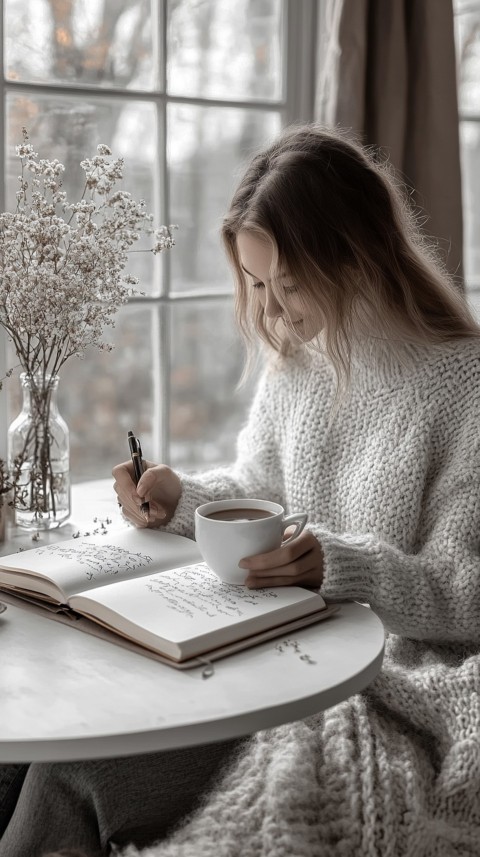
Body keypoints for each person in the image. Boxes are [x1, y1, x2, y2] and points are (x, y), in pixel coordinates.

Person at [1, 122, 480, 857]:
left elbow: (465, 591)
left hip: (370, 685)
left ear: (357, 254)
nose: (273, 309)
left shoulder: (464, 386)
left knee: (73, 770)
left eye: (290, 283)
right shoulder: (299, 363)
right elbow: (259, 488)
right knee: (28, 753)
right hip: (267, 650)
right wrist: (180, 496)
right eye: (258, 284)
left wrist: (340, 565)